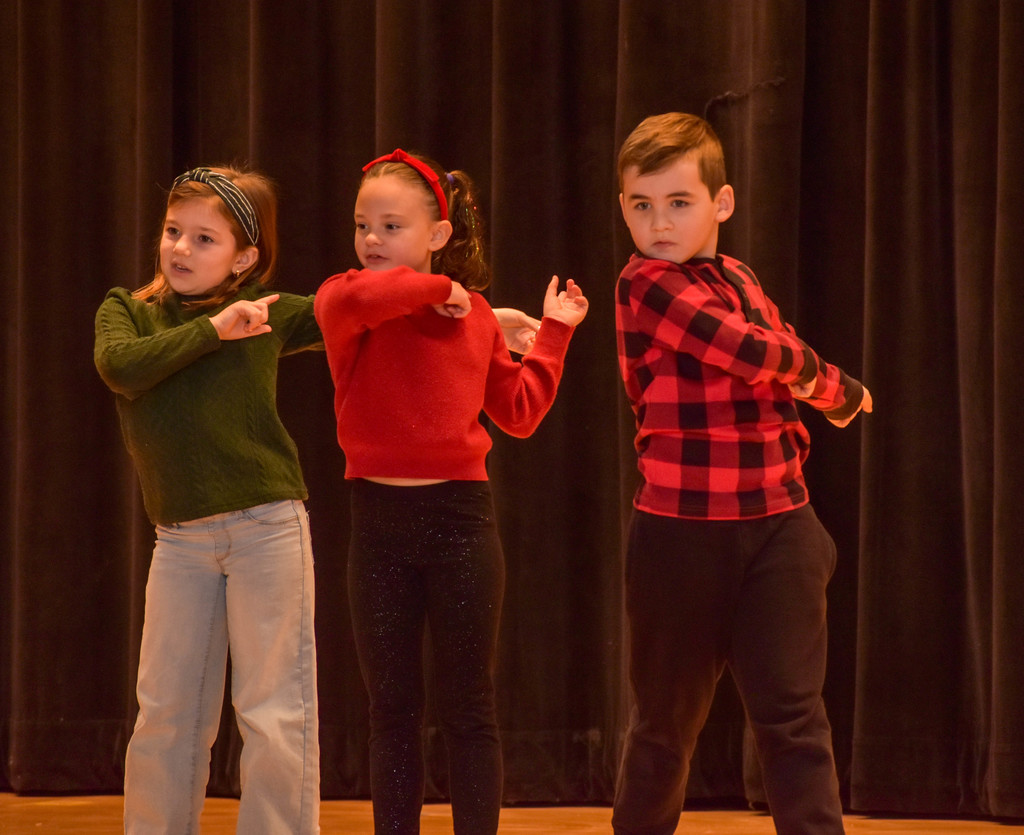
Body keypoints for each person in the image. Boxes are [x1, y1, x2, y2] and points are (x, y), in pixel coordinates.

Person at [314, 148, 588, 834]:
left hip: (461, 523)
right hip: (377, 526)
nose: (371, 239)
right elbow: (369, 293)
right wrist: (446, 293)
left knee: (470, 707)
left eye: (391, 226)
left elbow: (519, 411)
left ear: (438, 234)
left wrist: (552, 333)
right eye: (362, 224)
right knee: (393, 708)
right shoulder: (346, 301)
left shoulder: (477, 319)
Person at [612, 112, 872, 835]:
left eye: (678, 202)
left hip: (777, 523)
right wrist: (837, 389)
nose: (658, 222)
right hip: (679, 533)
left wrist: (808, 405)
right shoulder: (646, 284)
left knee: (793, 719)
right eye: (641, 205)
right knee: (664, 729)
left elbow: (773, 341)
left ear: (720, 203)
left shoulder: (740, 277)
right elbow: (748, 352)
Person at [94, 166, 322, 834]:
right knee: (167, 710)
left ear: (244, 257)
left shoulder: (267, 313)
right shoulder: (127, 310)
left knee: (274, 711)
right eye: (173, 231)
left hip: (267, 529)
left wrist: (471, 313)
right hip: (181, 543)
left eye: (203, 238)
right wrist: (213, 331)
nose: (180, 249)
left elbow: (358, 308)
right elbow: (122, 367)